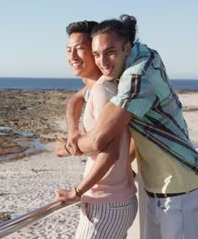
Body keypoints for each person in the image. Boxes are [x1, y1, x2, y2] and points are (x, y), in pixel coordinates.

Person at [62, 14, 198, 239]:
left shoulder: (136, 78)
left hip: (181, 197)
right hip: (158, 193)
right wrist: (73, 130)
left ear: (126, 48)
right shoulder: (138, 58)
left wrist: (70, 148)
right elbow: (76, 98)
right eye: (97, 54)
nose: (102, 61)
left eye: (110, 52)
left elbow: (100, 140)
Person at [55, 20, 137, 239]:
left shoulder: (103, 90)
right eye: (68, 50)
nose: (72, 56)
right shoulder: (95, 89)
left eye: (80, 49)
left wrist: (76, 192)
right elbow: (75, 100)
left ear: (94, 50)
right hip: (111, 200)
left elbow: (109, 152)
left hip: (106, 204)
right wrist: (73, 132)